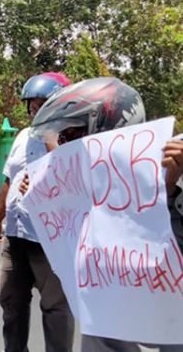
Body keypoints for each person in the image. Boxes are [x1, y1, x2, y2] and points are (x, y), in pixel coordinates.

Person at [24, 77, 183, 352]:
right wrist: (44, 197)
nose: (64, 145)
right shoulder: (85, 184)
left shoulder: (170, 157)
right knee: (100, 330)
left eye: (72, 135)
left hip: (170, 308)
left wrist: (171, 181)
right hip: (114, 304)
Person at [0, 72, 73, 352]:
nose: (36, 110)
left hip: (50, 240)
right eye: (32, 105)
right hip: (15, 237)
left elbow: (72, 178)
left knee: (55, 310)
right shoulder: (23, 136)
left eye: (43, 104)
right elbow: (10, 179)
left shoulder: (72, 138)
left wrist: (51, 139)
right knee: (11, 302)